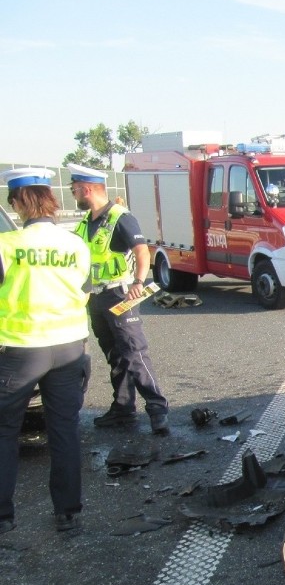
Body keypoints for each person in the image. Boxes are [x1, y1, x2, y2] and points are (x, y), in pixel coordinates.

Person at [0, 168, 92, 534]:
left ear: (20, 202)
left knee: (6, 431)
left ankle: (4, 517)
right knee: (64, 430)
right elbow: (84, 288)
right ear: (51, 201)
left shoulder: (7, 245)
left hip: (21, 350)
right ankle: (68, 513)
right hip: (69, 347)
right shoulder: (76, 245)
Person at [67, 163, 170, 435]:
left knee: (134, 352)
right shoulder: (85, 222)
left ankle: (157, 408)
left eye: (74, 189)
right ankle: (123, 409)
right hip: (96, 297)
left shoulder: (120, 217)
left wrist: (138, 282)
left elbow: (142, 251)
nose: (73, 193)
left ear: (86, 189)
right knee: (114, 355)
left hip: (120, 295)